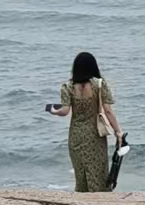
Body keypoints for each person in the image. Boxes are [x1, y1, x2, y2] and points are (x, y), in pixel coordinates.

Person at [49, 51, 124, 192]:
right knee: (98, 174)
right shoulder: (100, 85)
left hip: (76, 136)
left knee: (81, 174)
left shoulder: (68, 87)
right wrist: (118, 132)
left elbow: (65, 111)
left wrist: (53, 110)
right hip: (95, 136)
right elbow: (108, 111)